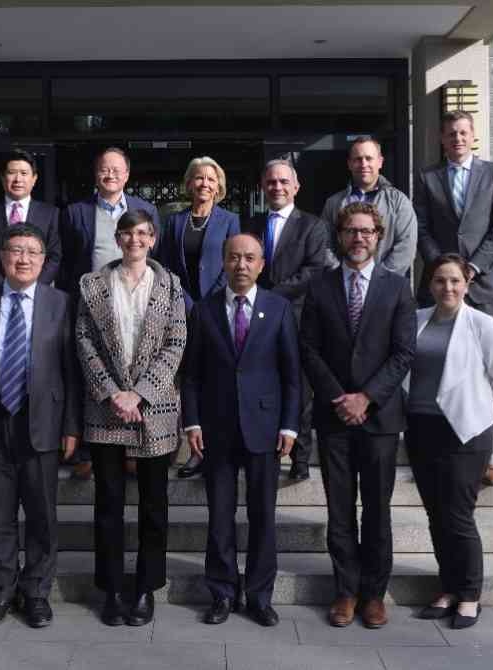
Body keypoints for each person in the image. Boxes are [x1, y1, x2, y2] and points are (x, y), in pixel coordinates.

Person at [0, 224, 82, 629]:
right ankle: (0, 592)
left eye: (32, 252)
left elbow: (72, 371)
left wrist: (72, 426)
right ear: (2, 257)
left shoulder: (61, 303)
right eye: (16, 251)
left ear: (43, 260)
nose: (24, 259)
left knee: (41, 514)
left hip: (42, 421)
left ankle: (36, 592)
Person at [299, 202, 416, 629]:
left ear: (378, 236)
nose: (359, 238)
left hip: (380, 418)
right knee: (340, 510)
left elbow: (403, 353)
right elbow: (308, 348)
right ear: (340, 235)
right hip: (334, 417)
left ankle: (374, 595)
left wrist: (366, 398)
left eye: (366, 231)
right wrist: (339, 397)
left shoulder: (397, 287)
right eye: (351, 230)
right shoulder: (320, 286)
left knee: (377, 511)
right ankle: (346, 591)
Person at [182, 233, 301, 628]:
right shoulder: (204, 310)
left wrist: (290, 425)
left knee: (262, 515)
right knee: (220, 515)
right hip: (216, 428)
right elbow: (192, 375)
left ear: (261, 265)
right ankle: (222, 593)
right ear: (224, 262)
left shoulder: (279, 308)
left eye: (250, 258)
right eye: (234, 257)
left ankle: (260, 596)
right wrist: (192, 422)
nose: (241, 265)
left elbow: (292, 376)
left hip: (264, 428)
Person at [76, 209, 187, 627]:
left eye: (143, 233)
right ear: (118, 238)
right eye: (127, 233)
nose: (135, 240)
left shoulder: (170, 284)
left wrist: (140, 394)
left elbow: (176, 342)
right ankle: (110, 589)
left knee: (153, 506)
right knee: (108, 504)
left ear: (153, 239)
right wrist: (113, 394)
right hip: (105, 408)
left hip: (154, 409)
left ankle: (145, 588)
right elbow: (84, 341)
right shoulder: (92, 284)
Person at [407, 253, 493, 629]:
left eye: (455, 280)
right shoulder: (417, 320)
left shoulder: (482, 325)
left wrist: (474, 404)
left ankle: (470, 594)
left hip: (466, 432)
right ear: (430, 284)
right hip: (422, 429)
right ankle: (449, 588)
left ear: (467, 284)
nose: (448, 287)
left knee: (457, 515)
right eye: (440, 280)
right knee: (436, 515)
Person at [413, 109, 493, 488]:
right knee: (441, 367)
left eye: (463, 132)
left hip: (484, 285)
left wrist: (471, 267)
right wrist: (443, 267)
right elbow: (422, 227)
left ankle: (484, 458)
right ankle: (441, 449)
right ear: (442, 139)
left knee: (483, 372)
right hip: (442, 285)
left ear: (473, 136)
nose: (457, 138)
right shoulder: (427, 178)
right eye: (450, 133)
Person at [58, 147, 160, 480]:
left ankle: (132, 447)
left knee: (131, 371)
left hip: (134, 302)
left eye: (117, 169)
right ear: (96, 173)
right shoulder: (76, 212)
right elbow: (67, 262)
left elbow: (155, 258)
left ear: (127, 175)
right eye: (105, 169)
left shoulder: (146, 210)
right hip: (90, 306)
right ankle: (88, 450)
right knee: (91, 373)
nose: (110, 174)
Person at [242, 159, 329, 481]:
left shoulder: (313, 226)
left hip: (297, 317)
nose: (277, 187)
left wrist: (271, 295)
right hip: (256, 320)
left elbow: (314, 270)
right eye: (271, 182)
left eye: (283, 182)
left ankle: (301, 459)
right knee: (262, 385)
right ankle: (263, 451)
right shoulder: (252, 224)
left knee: (299, 389)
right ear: (263, 187)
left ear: (296, 187)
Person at [159, 156, 240, 479]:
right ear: (189, 183)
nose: (204, 183)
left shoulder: (230, 220)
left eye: (210, 179)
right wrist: (187, 302)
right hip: (181, 311)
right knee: (185, 378)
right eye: (198, 178)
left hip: (217, 311)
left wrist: (207, 304)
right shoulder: (174, 222)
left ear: (218, 186)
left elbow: (234, 263)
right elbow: (165, 265)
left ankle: (211, 450)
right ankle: (185, 447)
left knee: (212, 378)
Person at [320, 137, 417, 276]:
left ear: (380, 162)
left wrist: (378, 279)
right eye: (358, 159)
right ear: (349, 164)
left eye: (369, 158)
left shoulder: (398, 202)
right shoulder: (334, 203)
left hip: (384, 284)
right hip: (342, 284)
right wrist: (342, 276)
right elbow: (324, 244)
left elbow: (406, 246)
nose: (363, 164)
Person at [0, 149, 62, 288]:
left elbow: (54, 256)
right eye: (12, 173)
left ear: (34, 179)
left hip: (36, 291)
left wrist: (34, 288)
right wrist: (3, 287)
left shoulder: (50, 213)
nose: (18, 179)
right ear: (3, 178)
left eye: (24, 173)